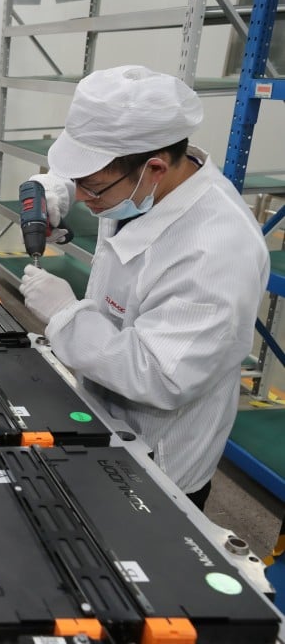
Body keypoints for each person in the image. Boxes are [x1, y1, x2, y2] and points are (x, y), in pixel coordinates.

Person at [18, 65, 269, 510]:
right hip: (102, 410)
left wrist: (65, 315)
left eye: (91, 188)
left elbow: (160, 375)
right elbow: (101, 175)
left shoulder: (215, 251)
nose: (84, 196)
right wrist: (56, 191)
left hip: (160, 456)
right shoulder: (149, 180)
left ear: (154, 167)